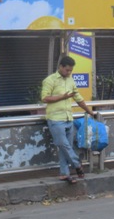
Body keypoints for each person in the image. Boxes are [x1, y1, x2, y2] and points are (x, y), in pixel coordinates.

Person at [41, 55, 97, 184]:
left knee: (66, 147)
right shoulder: (50, 80)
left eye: (71, 70)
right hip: (55, 119)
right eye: (67, 70)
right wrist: (62, 97)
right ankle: (77, 164)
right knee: (63, 144)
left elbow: (78, 98)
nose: (69, 72)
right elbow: (45, 98)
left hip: (68, 118)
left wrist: (90, 111)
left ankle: (64, 174)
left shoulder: (71, 81)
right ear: (60, 67)